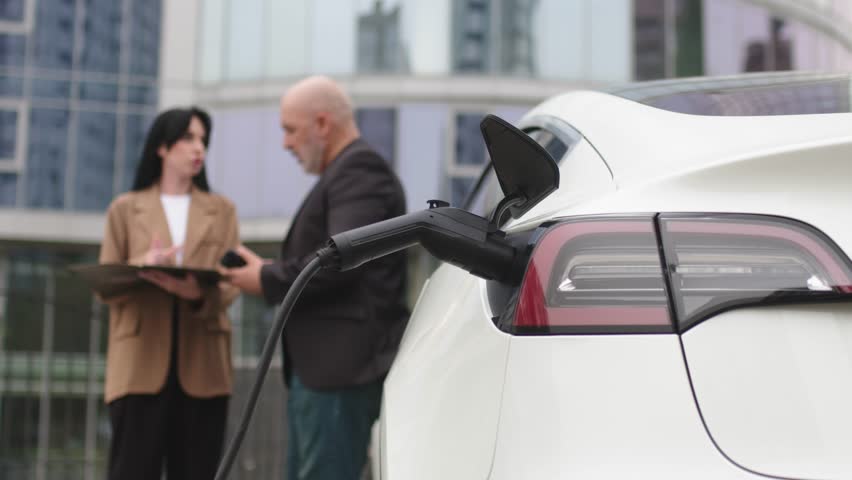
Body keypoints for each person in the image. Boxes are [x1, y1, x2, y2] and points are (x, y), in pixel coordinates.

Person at [222, 75, 408, 480]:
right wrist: (266, 271)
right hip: (326, 372)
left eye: (290, 130)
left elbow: (338, 260)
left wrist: (266, 278)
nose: (286, 143)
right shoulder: (348, 173)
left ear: (323, 123)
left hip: (339, 372)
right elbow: (331, 253)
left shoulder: (359, 170)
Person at [98, 106, 240, 480]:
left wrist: (196, 294)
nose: (199, 149)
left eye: (203, 141)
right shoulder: (125, 210)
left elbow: (232, 283)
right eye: (188, 138)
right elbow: (105, 287)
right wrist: (144, 262)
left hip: (203, 364)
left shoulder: (222, 210)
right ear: (162, 147)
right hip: (138, 366)